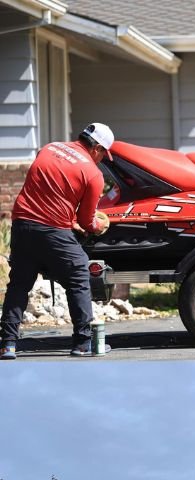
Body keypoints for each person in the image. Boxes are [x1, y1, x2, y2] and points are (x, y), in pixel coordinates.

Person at [1, 123, 114, 359]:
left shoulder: (49, 148)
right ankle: (83, 343)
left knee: (19, 284)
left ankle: (7, 345)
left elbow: (50, 192)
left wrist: (69, 218)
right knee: (78, 277)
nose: (102, 159)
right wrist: (99, 225)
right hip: (53, 232)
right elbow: (87, 220)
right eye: (104, 154)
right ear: (97, 149)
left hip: (22, 224)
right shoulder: (93, 174)